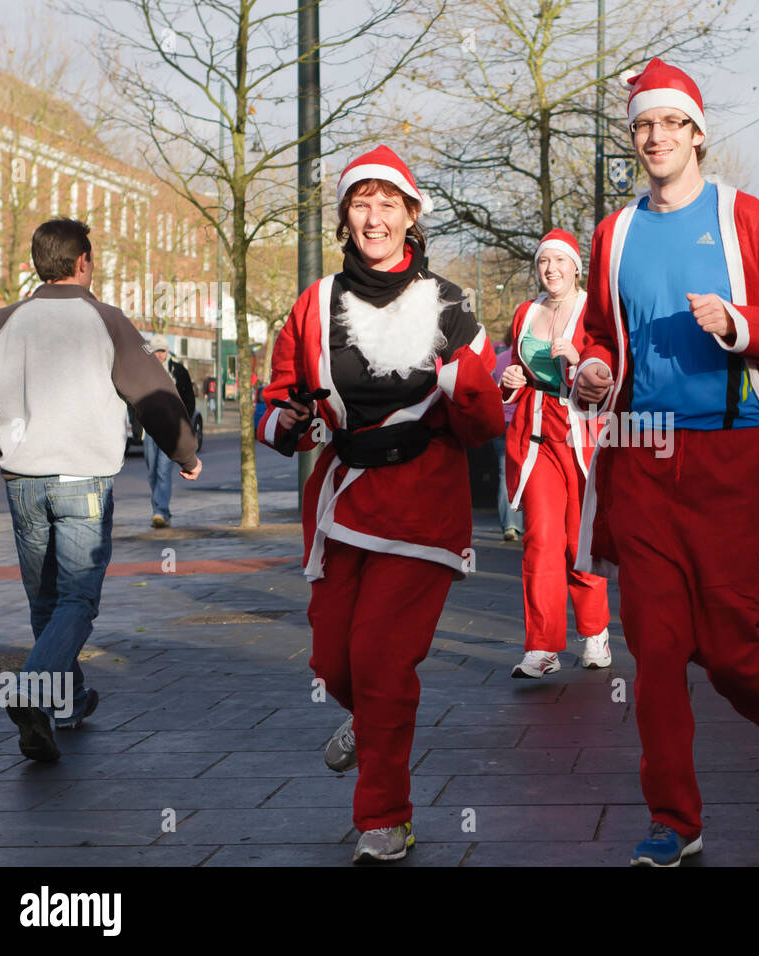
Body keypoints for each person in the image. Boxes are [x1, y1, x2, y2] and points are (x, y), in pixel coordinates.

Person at [572, 57, 759, 867]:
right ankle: (676, 820)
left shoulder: (745, 219)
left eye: (669, 124)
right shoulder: (614, 232)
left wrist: (740, 324)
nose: (654, 137)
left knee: (729, 641)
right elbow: (597, 332)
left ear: (698, 133)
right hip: (639, 455)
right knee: (655, 648)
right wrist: (593, 369)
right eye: (642, 125)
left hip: (732, 458)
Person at [256, 145, 503, 864]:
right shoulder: (314, 303)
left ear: (411, 215)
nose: (374, 215)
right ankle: (370, 720)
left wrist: (473, 393)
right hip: (342, 504)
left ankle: (384, 818)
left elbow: (486, 424)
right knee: (335, 663)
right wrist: (286, 423)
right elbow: (278, 397)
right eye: (360, 202)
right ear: (344, 218)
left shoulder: (452, 306)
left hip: (424, 504)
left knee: (382, 660)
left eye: (387, 202)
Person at [0, 218, 201, 761]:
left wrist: (2, 452)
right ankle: (31, 690)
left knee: (45, 600)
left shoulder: (2, 323)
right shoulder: (107, 320)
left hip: (23, 480)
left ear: (36, 264)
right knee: (76, 599)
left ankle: (66, 704)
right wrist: (184, 452)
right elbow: (155, 396)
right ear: (83, 263)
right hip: (84, 480)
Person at [501, 229, 611, 678]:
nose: (551, 269)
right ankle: (542, 647)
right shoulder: (526, 312)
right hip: (536, 431)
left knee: (577, 538)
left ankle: (594, 631)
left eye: (559, 261)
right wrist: (512, 381)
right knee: (540, 538)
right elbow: (516, 364)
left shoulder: (593, 310)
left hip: (582, 430)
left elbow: (611, 367)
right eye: (544, 261)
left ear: (576, 266)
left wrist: (579, 356)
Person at [143, 333, 196, 528]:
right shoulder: (144, 372)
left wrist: (184, 425)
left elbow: (189, 399)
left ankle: (160, 511)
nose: (159, 355)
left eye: (162, 351)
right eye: (155, 351)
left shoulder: (178, 372)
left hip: (172, 429)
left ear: (167, 352)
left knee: (164, 470)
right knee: (152, 472)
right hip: (150, 429)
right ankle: (159, 507)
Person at [491, 328, 524, 542]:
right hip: (523, 422)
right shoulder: (526, 360)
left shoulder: (499, 359)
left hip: (502, 421)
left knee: (505, 473)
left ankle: (510, 525)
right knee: (527, 473)